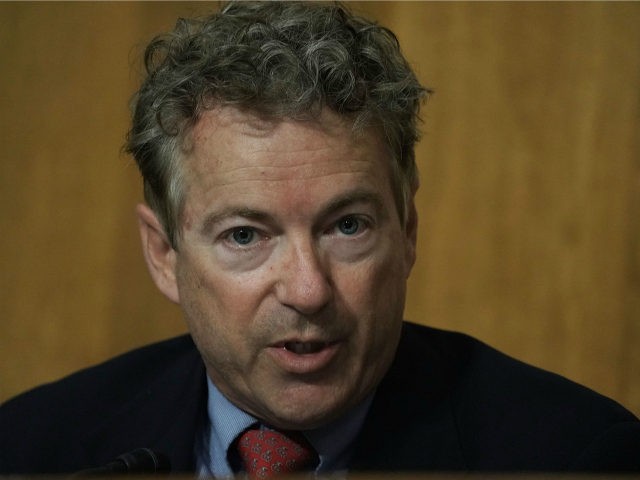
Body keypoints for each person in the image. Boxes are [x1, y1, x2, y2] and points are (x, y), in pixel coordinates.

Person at [1, 1, 639, 475]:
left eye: (348, 226)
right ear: (164, 255)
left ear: (407, 229)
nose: (308, 290)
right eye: (246, 235)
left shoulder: (577, 455)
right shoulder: (32, 448)